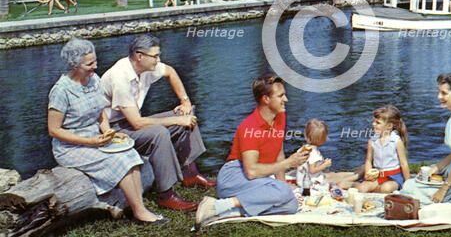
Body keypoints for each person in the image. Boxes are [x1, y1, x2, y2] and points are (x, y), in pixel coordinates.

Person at [47, 39, 167, 225]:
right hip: (70, 147)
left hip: (96, 138)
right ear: (75, 65)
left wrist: (109, 132)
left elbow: (100, 111)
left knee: (130, 154)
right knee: (120, 161)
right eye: (90, 64)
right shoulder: (61, 91)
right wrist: (90, 142)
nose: (96, 66)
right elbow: (54, 130)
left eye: (95, 61)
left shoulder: (93, 80)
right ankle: (139, 211)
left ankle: (136, 205)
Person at [102, 34, 215, 212]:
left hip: (130, 122)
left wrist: (184, 101)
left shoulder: (144, 67)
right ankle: (166, 194)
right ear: (140, 56)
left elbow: (170, 71)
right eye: (155, 56)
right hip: (114, 129)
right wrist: (177, 119)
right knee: (159, 133)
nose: (158, 60)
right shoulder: (120, 77)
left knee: (188, 114)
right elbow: (137, 123)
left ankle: (190, 173)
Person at [194, 75, 310, 229]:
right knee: (283, 192)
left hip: (251, 178)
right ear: (266, 99)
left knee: (291, 205)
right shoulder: (249, 127)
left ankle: (224, 211)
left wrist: (282, 182)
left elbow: (278, 153)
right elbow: (251, 171)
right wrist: (289, 164)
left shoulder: (280, 117)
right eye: (281, 96)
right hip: (234, 176)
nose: (286, 99)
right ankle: (219, 205)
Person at [400, 73, 451, 204]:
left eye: (444, 93)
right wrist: (436, 168)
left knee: (409, 189)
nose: (439, 97)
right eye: (439, 92)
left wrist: (444, 189)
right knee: (411, 184)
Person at [355, 105, 410, 194]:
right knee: (362, 188)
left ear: (389, 126)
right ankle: (372, 188)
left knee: (386, 188)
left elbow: (404, 164)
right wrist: (368, 174)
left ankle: (376, 189)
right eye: (373, 122)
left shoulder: (396, 141)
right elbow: (368, 160)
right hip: (377, 176)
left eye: (377, 122)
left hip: (394, 177)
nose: (373, 124)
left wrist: (408, 184)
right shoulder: (372, 141)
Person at [295, 119, 359, 192]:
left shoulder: (303, 149)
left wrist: (321, 165)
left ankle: (355, 174)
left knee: (333, 174)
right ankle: (357, 176)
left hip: (303, 180)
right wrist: (325, 165)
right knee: (336, 179)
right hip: (312, 184)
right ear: (323, 139)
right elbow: (312, 170)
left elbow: (306, 166)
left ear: (306, 135)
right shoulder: (314, 154)